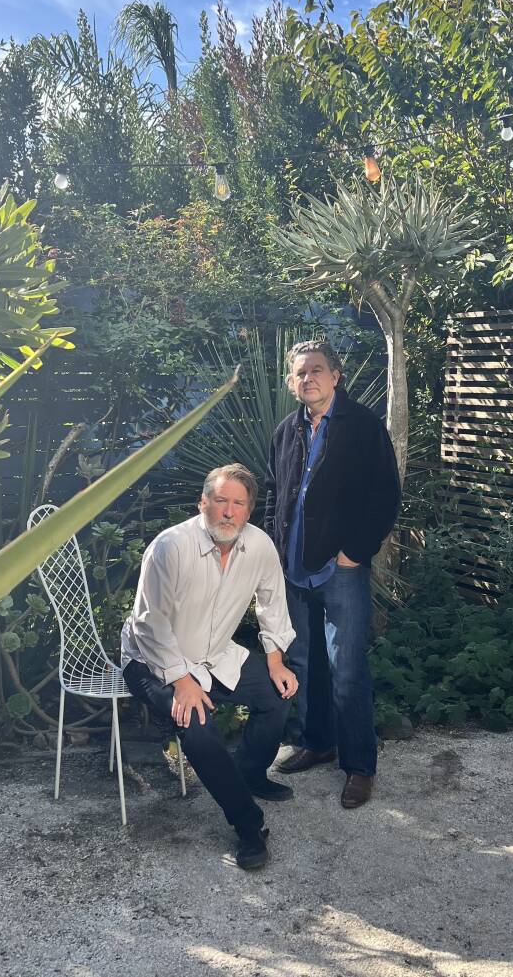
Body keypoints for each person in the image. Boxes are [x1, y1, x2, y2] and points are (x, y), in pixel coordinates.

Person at [120, 463, 298, 870]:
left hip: (214, 653)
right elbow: (150, 623)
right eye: (220, 501)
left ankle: (249, 774)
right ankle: (249, 826)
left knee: (277, 695)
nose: (228, 512)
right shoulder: (171, 547)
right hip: (152, 661)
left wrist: (275, 660)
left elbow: (272, 602)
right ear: (203, 502)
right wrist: (182, 681)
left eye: (238, 504)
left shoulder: (259, 546)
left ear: (248, 511)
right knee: (197, 726)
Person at [265, 340, 401, 808]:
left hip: (340, 569)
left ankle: (359, 766)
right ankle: (316, 741)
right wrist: (274, 555)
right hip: (295, 570)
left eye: (317, 370)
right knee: (305, 664)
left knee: (346, 669)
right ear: (291, 382)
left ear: (336, 375)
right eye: (300, 373)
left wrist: (353, 554)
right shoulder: (286, 431)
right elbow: (274, 496)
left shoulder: (363, 427)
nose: (309, 379)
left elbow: (384, 496)